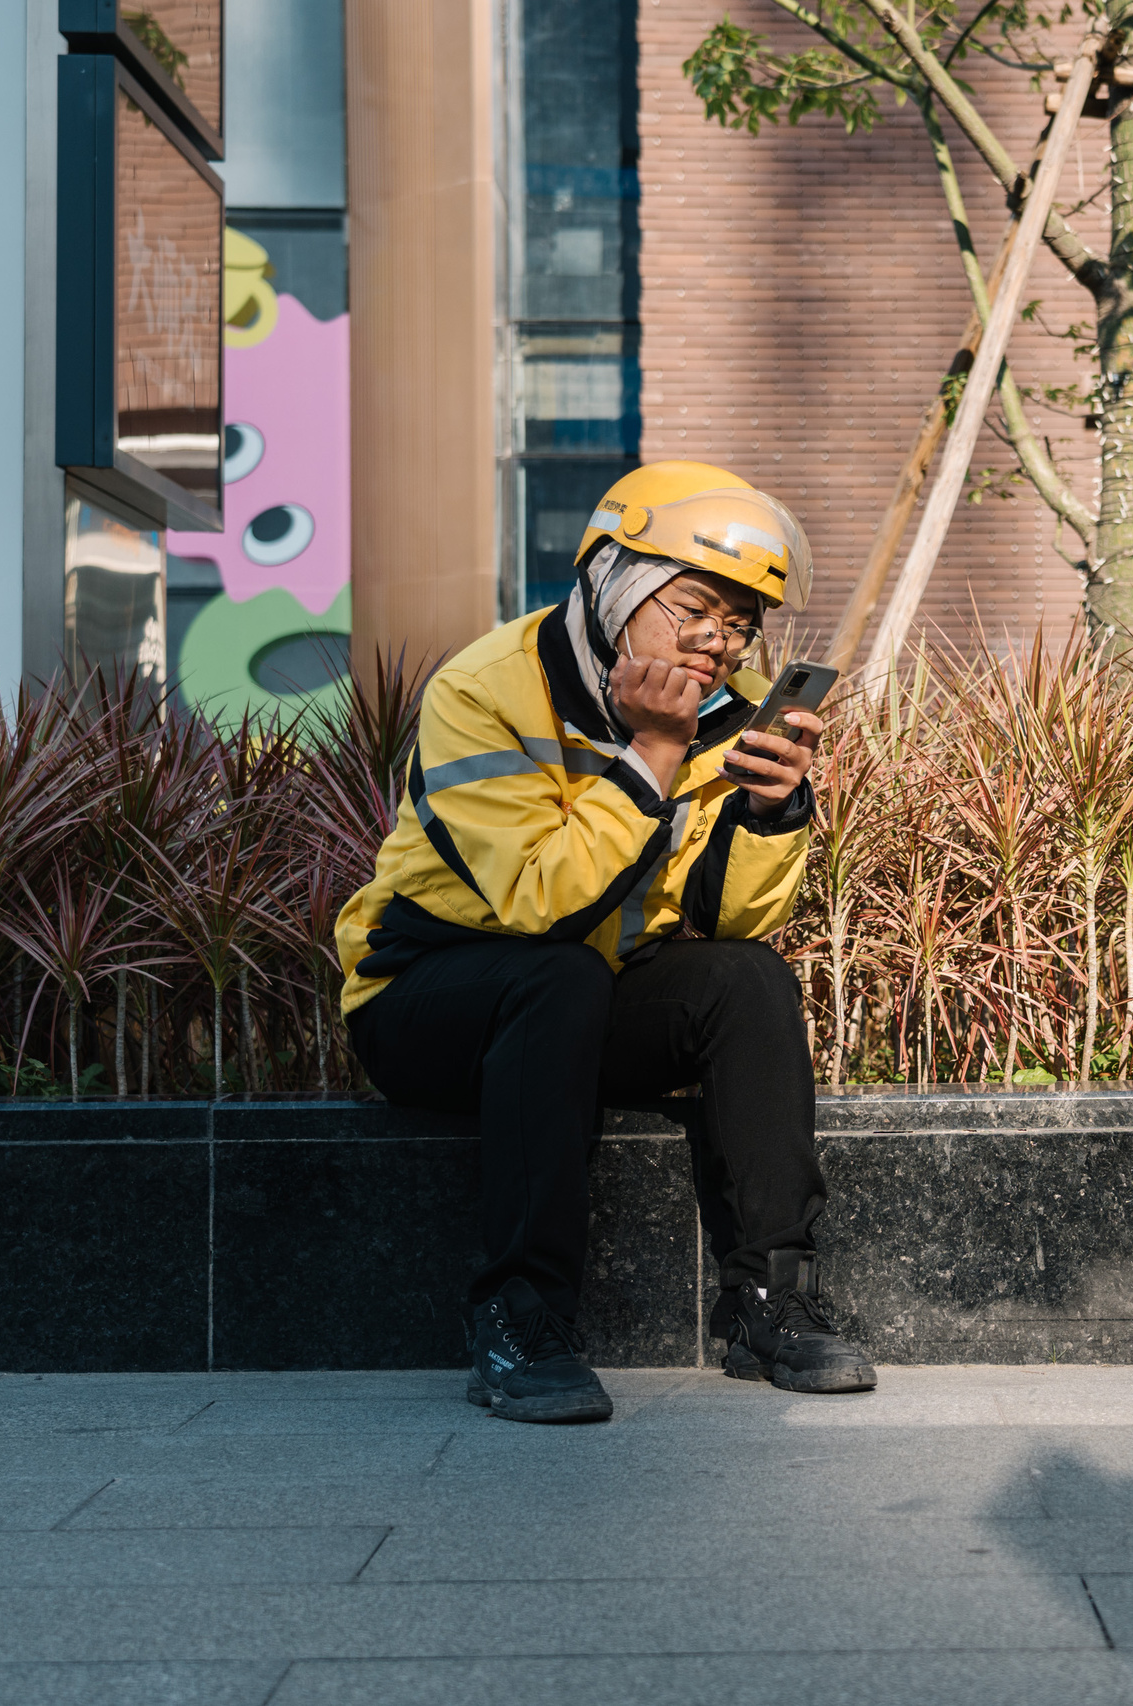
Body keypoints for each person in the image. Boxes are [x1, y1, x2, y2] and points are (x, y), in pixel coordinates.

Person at [335, 460, 876, 1422]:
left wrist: (770, 810)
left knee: (748, 981)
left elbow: (734, 924)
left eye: (743, 621)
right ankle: (520, 1319)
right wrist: (653, 754)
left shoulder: (730, 708)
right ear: (614, 580)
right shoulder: (486, 688)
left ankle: (770, 1303)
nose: (719, 642)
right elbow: (537, 899)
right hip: (427, 999)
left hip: (585, 996)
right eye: (697, 608)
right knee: (553, 974)